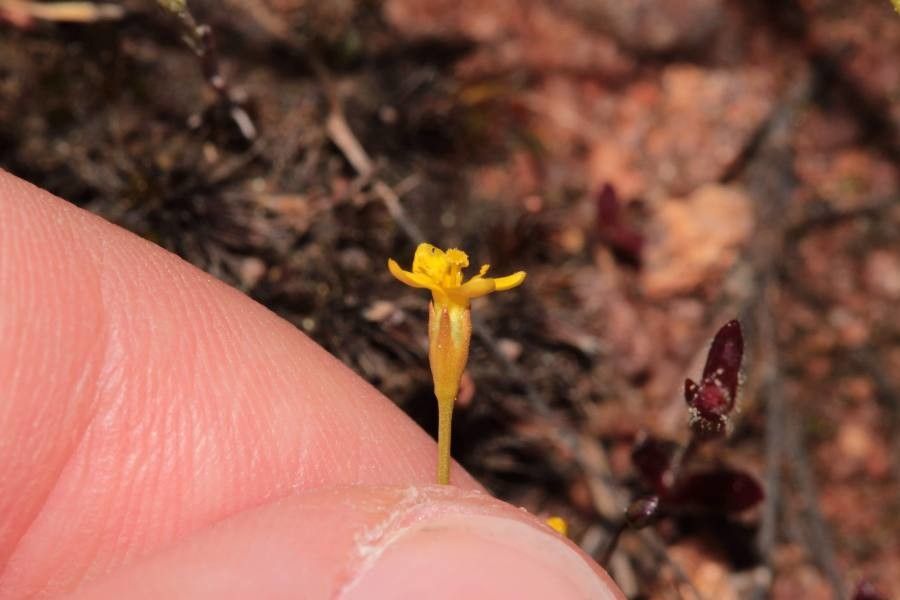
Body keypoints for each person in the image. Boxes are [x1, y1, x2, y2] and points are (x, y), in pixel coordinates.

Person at [0, 170, 621, 599]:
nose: (451, 273)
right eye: (445, 281)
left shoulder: (453, 304)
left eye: (452, 281)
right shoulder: (445, 306)